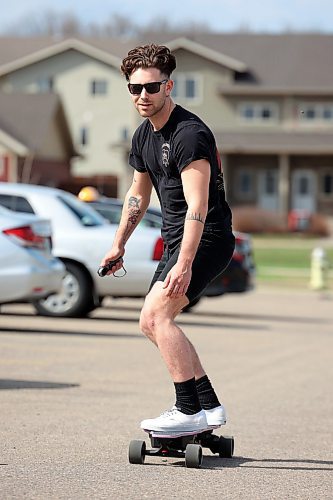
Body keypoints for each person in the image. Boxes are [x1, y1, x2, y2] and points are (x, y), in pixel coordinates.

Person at [100, 44, 235, 433]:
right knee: (152, 322)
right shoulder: (144, 135)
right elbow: (137, 195)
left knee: (157, 315)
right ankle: (207, 406)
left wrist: (185, 263)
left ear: (169, 86)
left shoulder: (190, 135)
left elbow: (198, 205)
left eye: (151, 88)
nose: (143, 96)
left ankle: (187, 408)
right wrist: (119, 242)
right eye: (134, 89)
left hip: (206, 238)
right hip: (178, 240)